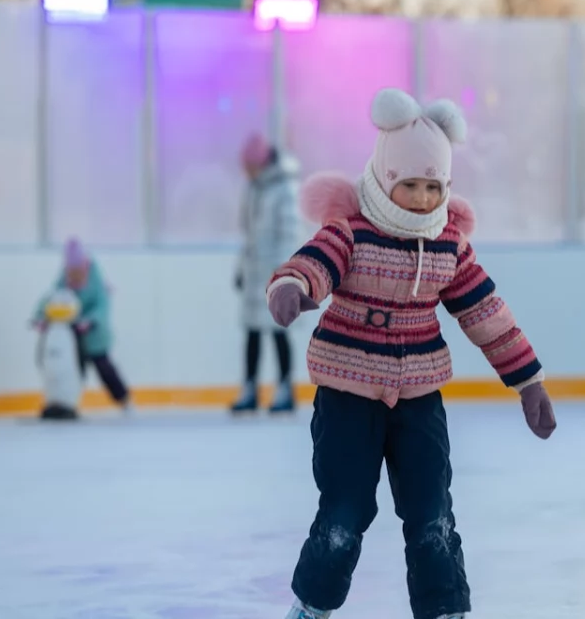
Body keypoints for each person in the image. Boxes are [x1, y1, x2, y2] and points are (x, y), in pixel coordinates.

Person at [266, 88, 557, 619]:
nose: (423, 199)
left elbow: (485, 312)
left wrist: (527, 380)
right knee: (344, 513)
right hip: (350, 394)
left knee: (432, 513)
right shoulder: (351, 232)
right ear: (384, 178)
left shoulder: (448, 244)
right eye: (410, 186)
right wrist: (292, 286)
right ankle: (312, 607)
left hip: (420, 398)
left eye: (433, 187)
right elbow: (314, 262)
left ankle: (445, 609)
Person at [229, 132, 303, 414]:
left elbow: (289, 233)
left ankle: (285, 388)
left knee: (278, 331)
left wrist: (285, 274)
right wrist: (241, 268)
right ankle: (250, 387)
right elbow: (247, 233)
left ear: (259, 162)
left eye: (248, 166)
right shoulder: (253, 188)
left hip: (274, 272)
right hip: (253, 272)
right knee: (252, 331)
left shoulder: (284, 189)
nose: (245, 172)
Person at [32, 238, 132, 412]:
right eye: (71, 270)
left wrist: (91, 321)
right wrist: (40, 317)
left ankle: (124, 400)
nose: (74, 274)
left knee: (104, 369)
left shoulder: (96, 281)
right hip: (72, 338)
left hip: (94, 338)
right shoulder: (64, 278)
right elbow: (51, 298)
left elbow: (102, 307)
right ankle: (67, 402)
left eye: (77, 269)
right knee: (71, 370)